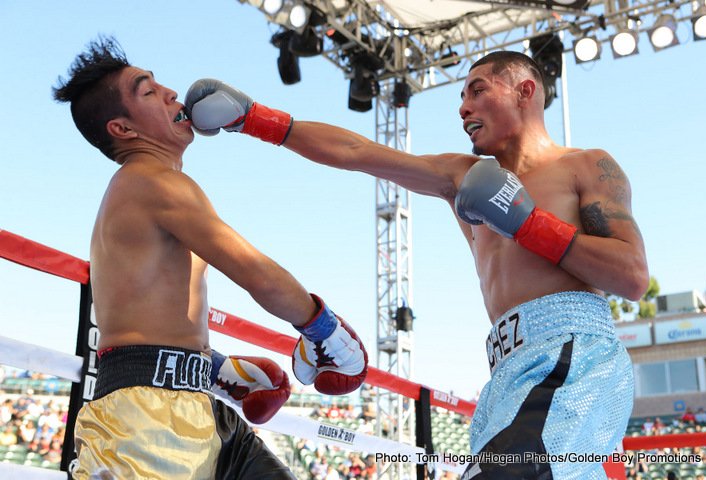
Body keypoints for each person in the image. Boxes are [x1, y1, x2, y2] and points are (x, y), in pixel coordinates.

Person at [185, 49, 648, 479]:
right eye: (461, 95)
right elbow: (359, 153)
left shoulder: (585, 166)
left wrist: (528, 223)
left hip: (573, 355)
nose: (463, 107)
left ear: (525, 91)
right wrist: (255, 119)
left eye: (478, 90)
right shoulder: (462, 175)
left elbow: (631, 276)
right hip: (506, 373)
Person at [52, 36, 368, 480]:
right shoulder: (150, 181)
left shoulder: (145, 190)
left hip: (194, 408)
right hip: (142, 421)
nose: (171, 93)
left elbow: (142, 311)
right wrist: (324, 330)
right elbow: (256, 273)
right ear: (123, 130)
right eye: (148, 91)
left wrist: (214, 366)